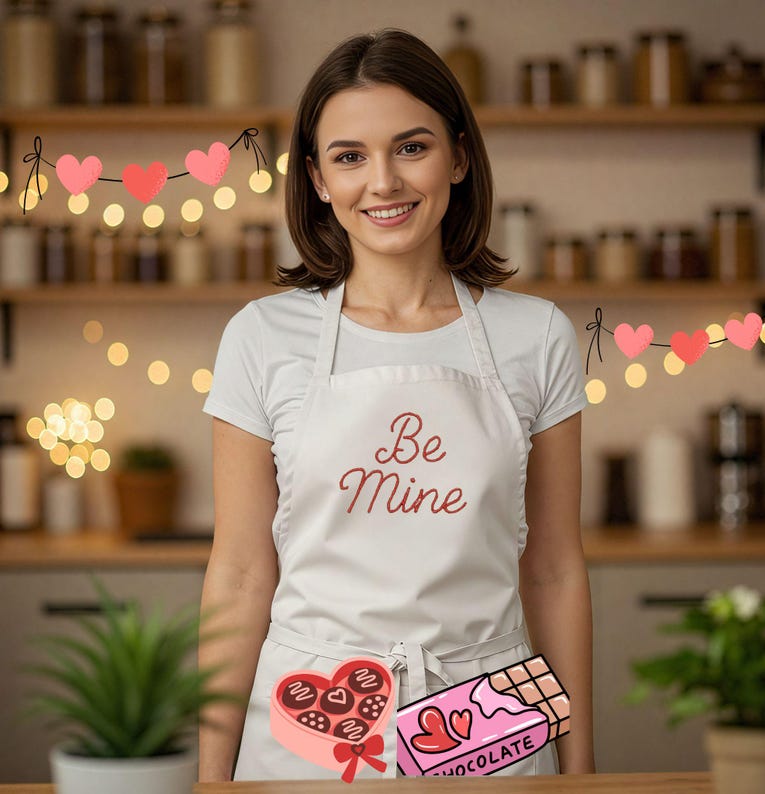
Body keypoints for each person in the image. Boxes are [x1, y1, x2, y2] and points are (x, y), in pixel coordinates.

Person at [199, 27, 594, 781]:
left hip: (494, 721)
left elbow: (553, 570)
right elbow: (242, 573)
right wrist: (210, 776)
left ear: (459, 156)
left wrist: (581, 769)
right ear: (317, 179)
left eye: (411, 148)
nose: (383, 182)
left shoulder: (535, 335)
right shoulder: (261, 336)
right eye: (350, 157)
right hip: (304, 724)